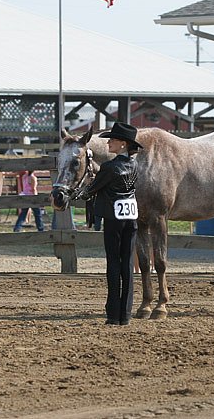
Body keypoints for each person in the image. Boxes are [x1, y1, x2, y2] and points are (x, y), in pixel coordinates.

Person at [75, 122, 141, 326]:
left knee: (113, 263)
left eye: (112, 140)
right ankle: (126, 313)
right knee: (127, 264)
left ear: (123, 144)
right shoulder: (135, 165)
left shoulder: (109, 167)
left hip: (114, 220)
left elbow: (89, 191)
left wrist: (83, 192)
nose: (109, 142)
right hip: (131, 218)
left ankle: (113, 313)